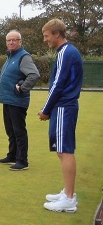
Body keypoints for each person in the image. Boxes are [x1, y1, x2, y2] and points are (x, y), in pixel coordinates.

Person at [38, 19, 83, 213]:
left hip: (64, 106)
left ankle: (70, 199)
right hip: (62, 107)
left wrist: (46, 110)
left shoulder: (66, 52)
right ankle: (67, 192)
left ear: (57, 34)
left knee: (66, 151)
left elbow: (58, 84)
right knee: (61, 149)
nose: (45, 39)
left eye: (47, 36)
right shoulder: (65, 52)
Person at [0, 30, 40, 171]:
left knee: (19, 130)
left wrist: (22, 88)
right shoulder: (10, 56)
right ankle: (12, 156)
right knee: (10, 130)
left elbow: (33, 75)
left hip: (17, 100)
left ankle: (22, 161)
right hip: (8, 100)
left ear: (20, 41)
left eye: (14, 40)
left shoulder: (23, 56)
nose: (11, 42)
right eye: (9, 40)